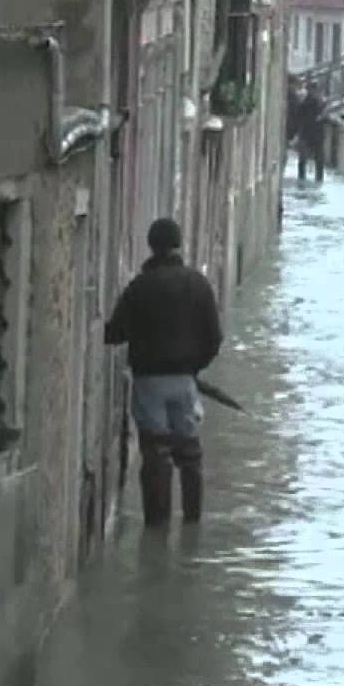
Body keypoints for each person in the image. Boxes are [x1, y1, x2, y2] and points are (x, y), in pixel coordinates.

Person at [105, 218, 223, 527]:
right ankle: (192, 524)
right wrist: (194, 367)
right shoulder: (198, 284)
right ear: (178, 244)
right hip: (185, 381)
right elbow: (214, 338)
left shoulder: (139, 287)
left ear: (151, 245)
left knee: (156, 454)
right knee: (190, 453)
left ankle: (156, 526)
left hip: (149, 382)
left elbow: (114, 333)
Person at [295, 81, 326, 182]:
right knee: (318, 158)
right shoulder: (319, 102)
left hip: (306, 133)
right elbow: (323, 118)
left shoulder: (306, 102)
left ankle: (302, 177)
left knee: (303, 159)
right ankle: (319, 178)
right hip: (316, 133)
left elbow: (299, 115)